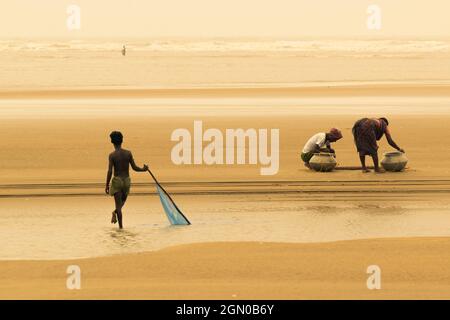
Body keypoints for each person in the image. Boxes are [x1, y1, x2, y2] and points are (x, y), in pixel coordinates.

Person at [105, 131, 148, 229]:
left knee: (119, 206)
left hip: (117, 181)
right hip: (126, 181)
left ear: (112, 142)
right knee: (122, 202)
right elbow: (134, 167)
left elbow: (110, 171)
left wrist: (107, 185)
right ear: (122, 140)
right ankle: (116, 214)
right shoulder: (128, 153)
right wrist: (143, 169)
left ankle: (120, 227)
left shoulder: (112, 155)